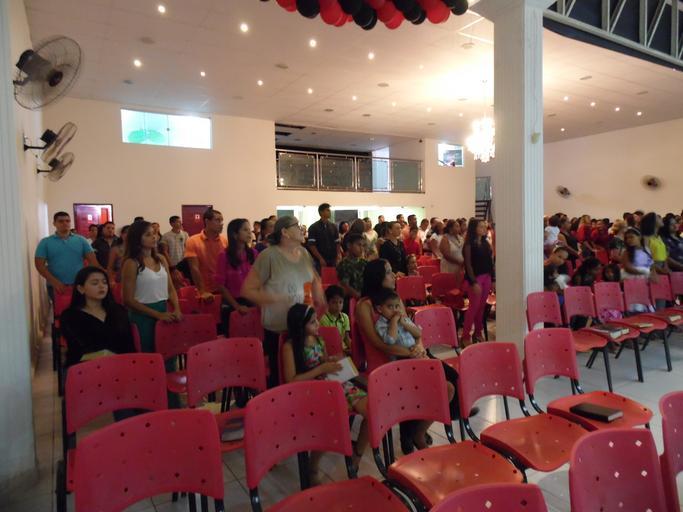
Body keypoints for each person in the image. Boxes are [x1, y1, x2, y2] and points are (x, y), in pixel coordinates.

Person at [355, 259, 460, 454]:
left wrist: (419, 348)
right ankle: (412, 432)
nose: (393, 275)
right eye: (388, 272)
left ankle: (415, 431)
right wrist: (411, 352)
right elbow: (378, 343)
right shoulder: (365, 306)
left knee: (453, 381)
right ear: (377, 277)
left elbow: (411, 329)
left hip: (409, 356)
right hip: (388, 364)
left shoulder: (394, 299)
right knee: (445, 387)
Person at [282, 303, 368, 481]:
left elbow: (323, 361)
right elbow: (291, 380)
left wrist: (330, 361)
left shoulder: (318, 340)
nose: (318, 325)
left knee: (371, 410)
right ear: (300, 325)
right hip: (310, 390)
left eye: (316, 321)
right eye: (313, 322)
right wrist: (321, 368)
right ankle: (312, 466)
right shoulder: (290, 347)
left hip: (332, 383)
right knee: (332, 421)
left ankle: (357, 455)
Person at [242, 216, 324, 388]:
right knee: (282, 382)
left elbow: (312, 279)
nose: (302, 229)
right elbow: (248, 290)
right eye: (297, 226)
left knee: (307, 379)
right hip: (278, 329)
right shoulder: (269, 256)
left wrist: (317, 294)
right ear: (285, 232)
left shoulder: (303, 253)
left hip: (301, 328)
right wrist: (275, 299)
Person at [122, 221, 181, 368]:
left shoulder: (161, 259)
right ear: (137, 239)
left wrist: (177, 308)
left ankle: (169, 383)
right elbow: (128, 300)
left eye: (154, 234)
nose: (154, 237)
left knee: (167, 356)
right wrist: (157, 315)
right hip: (143, 315)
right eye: (148, 235)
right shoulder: (131, 263)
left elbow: (170, 289)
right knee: (149, 359)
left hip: (163, 310)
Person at [60, 266, 136, 368]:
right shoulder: (70, 316)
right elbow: (78, 349)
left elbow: (128, 344)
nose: (101, 286)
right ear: (81, 289)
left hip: (121, 365)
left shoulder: (118, 311)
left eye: (104, 282)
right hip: (86, 368)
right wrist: (104, 356)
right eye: (95, 283)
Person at [35, 211, 101, 298]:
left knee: (80, 306)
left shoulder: (81, 240)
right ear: (54, 223)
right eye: (61, 221)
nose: (65, 223)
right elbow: (39, 265)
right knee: (60, 307)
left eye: (67, 221)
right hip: (56, 286)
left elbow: (93, 262)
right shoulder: (45, 242)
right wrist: (54, 282)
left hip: (79, 285)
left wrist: (89, 280)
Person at [215, 218, 257, 333]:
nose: (249, 233)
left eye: (250, 230)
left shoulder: (253, 253)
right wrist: (237, 306)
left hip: (251, 301)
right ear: (234, 234)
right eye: (245, 230)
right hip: (231, 303)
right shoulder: (224, 255)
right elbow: (220, 286)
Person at [462, 218, 495, 345]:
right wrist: (473, 282)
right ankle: (465, 336)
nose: (484, 229)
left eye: (484, 226)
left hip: (486, 277)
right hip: (475, 278)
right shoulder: (468, 244)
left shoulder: (486, 243)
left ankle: (478, 332)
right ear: (474, 228)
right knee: (473, 308)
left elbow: (490, 262)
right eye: (481, 226)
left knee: (481, 307)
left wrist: (493, 279)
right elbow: (468, 265)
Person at [184, 208, 228, 300]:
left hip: (224, 289)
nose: (221, 224)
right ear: (207, 221)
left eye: (222, 221)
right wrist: (202, 291)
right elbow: (194, 268)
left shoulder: (224, 241)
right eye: (218, 220)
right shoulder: (193, 241)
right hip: (205, 291)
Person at [307, 203, 342, 271]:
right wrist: (320, 258)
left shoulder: (333, 226)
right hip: (320, 260)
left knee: (332, 277)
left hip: (333, 259)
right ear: (321, 212)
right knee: (321, 277)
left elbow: (337, 242)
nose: (330, 212)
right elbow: (311, 245)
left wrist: (338, 255)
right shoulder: (313, 227)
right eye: (327, 210)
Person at [319, 285, 351, 355]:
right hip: (330, 352)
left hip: (343, 350)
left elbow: (346, 338)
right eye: (334, 302)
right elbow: (327, 342)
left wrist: (352, 349)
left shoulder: (345, 317)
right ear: (327, 303)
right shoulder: (324, 319)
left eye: (340, 302)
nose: (338, 305)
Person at [336, 233, 367, 300]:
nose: (361, 248)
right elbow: (345, 286)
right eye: (359, 245)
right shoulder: (343, 264)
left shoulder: (365, 263)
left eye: (363, 245)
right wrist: (359, 297)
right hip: (350, 299)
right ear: (349, 245)